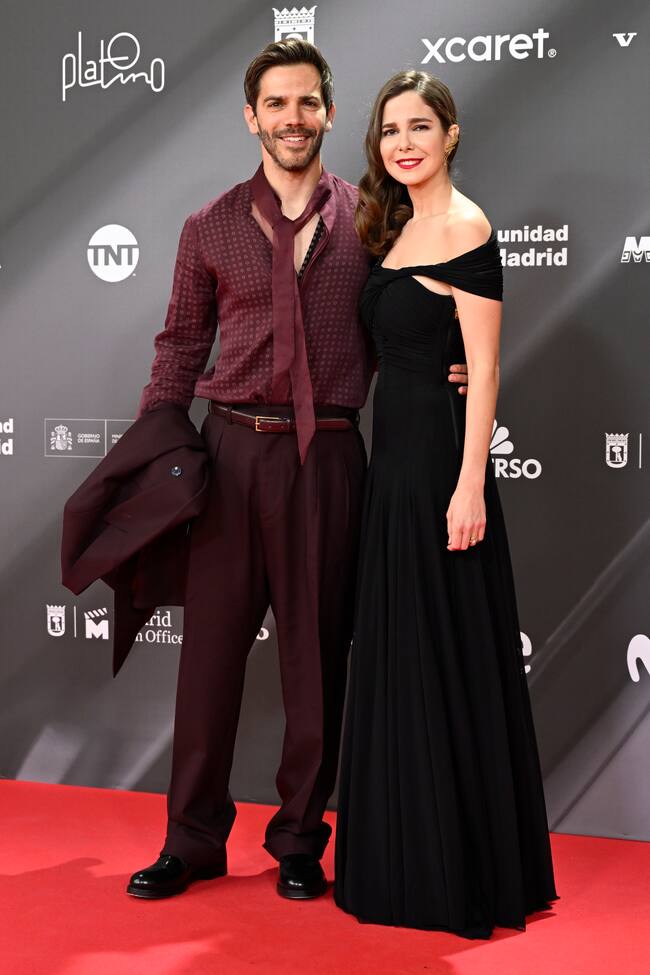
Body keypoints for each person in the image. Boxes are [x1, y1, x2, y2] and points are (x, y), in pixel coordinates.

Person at [126, 42, 469, 901]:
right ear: (252, 116)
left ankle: (298, 841)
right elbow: (177, 346)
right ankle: (193, 838)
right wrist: (155, 451)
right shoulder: (207, 226)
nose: (291, 119)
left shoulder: (369, 221)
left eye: (307, 104)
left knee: (316, 662)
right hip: (230, 453)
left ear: (327, 112)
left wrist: (445, 365)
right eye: (275, 105)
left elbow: (407, 320)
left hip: (331, 457)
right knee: (206, 664)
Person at [334, 71, 559, 938]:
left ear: (452, 135)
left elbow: (486, 367)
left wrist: (471, 484)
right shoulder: (390, 230)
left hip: (440, 468)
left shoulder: (467, 227)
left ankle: (457, 869)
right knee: (400, 655)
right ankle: (398, 855)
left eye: (420, 126)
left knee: (448, 653)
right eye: (391, 129)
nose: (404, 142)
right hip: (392, 464)